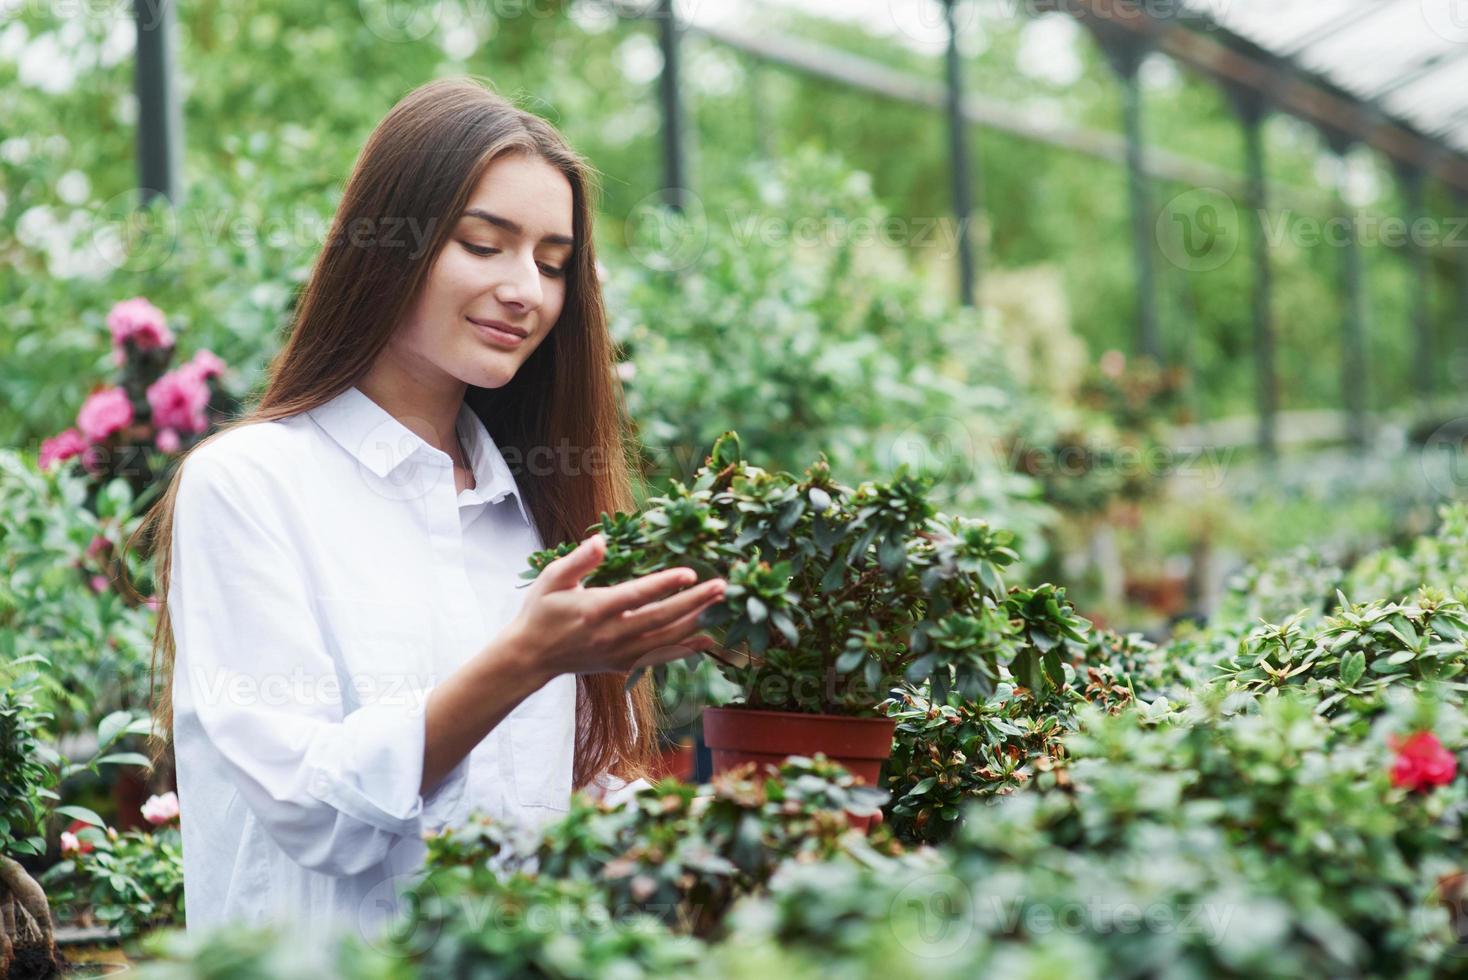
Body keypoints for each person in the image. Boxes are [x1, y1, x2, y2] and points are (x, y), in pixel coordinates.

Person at [134, 76, 727, 941]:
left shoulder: (530, 506)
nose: (526, 289)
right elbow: (312, 808)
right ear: (388, 248)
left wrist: (719, 832)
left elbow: (540, 799)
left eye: (554, 263)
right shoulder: (251, 484)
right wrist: (523, 661)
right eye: (484, 245)